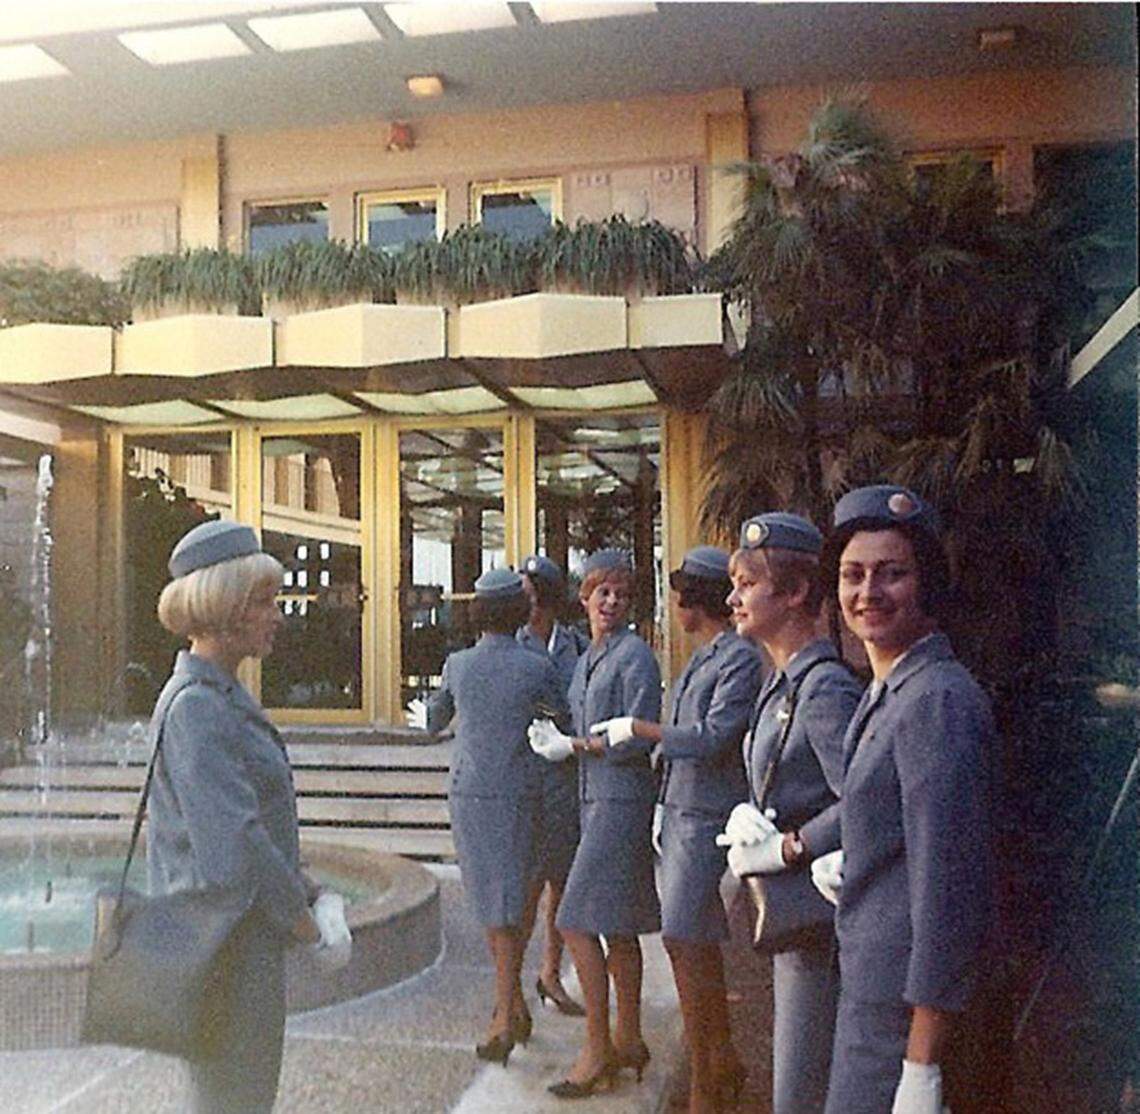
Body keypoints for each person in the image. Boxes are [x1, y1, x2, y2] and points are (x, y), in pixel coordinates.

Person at [147, 519, 350, 1114]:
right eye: (264, 602)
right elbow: (233, 847)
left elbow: (247, 829)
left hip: (231, 945)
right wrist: (306, 924)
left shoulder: (217, 695)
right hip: (225, 953)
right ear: (225, 606)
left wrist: (312, 891)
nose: (277, 616)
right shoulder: (199, 707)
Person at [816, 485, 996, 1114]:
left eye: (892, 574)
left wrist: (921, 1067)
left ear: (927, 584)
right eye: (853, 575)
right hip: (873, 995)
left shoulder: (936, 699)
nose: (868, 592)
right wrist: (860, 861)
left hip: (904, 1020)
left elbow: (949, 895)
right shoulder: (890, 688)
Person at [593, 545, 761, 1113]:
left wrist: (642, 729)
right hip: (684, 808)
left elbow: (713, 737)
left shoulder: (736, 659)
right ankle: (719, 1059)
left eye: (681, 597)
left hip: (706, 813)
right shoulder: (703, 658)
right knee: (694, 943)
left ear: (696, 601)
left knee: (684, 939)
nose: (675, 607)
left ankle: (705, 1084)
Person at [719, 512, 862, 1114]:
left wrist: (788, 844)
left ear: (797, 591)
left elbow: (865, 800)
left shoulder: (823, 687)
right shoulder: (784, 682)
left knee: (802, 1088)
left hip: (817, 913)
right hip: (792, 915)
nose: (733, 598)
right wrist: (751, 817)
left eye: (748, 584)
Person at [528, 548, 662, 1098]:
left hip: (621, 800)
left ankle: (596, 1047)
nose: (611, 602)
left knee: (574, 920)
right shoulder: (589, 657)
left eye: (622, 594)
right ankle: (628, 1038)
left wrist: (574, 745)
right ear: (584, 597)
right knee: (617, 923)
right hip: (593, 798)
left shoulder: (635, 656)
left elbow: (637, 733)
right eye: (602, 591)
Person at [427, 567, 568, 1067]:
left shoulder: (458, 664)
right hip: (521, 793)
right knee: (511, 903)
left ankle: (506, 1012)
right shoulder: (537, 667)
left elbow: (432, 721)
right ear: (520, 612)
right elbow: (560, 721)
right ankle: (509, 1008)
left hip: (470, 795)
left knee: (492, 902)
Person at [517, 554, 590, 1017]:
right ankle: (510, 989)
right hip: (526, 778)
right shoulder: (513, 644)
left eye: (528, 592)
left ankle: (550, 973)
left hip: (565, 776)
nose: (522, 601)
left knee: (562, 881)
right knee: (526, 886)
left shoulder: (576, 645)